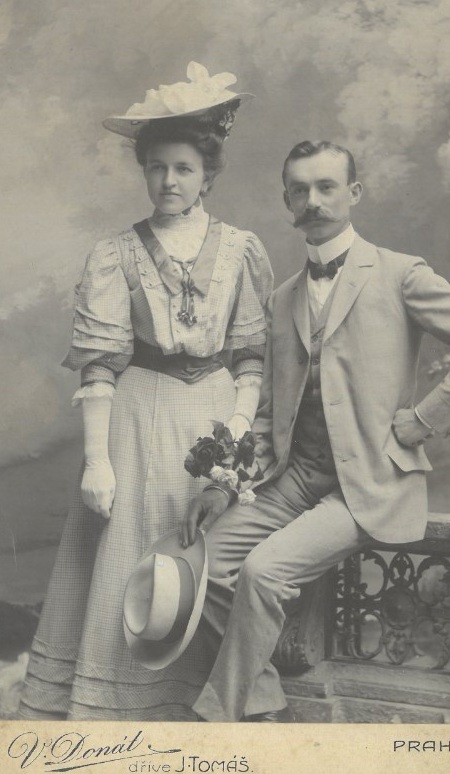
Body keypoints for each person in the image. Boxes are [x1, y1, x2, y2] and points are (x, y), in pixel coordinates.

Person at [183, 139, 450, 723]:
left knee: (264, 572)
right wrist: (225, 485)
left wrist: (424, 420)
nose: (313, 201)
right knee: (203, 565)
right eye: (300, 190)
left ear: (354, 193)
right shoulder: (282, 298)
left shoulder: (400, 274)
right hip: (293, 479)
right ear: (287, 201)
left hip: (368, 483)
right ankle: (261, 698)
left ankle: (218, 720)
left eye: (326, 187)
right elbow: (270, 412)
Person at [18, 63, 273, 721]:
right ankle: (115, 705)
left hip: (212, 416)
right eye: (156, 168)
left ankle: (200, 701)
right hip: (135, 419)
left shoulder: (240, 249)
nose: (169, 181)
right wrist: (97, 461)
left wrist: (236, 434)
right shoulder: (118, 254)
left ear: (208, 174)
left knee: (202, 554)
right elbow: (100, 365)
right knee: (126, 559)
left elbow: (250, 357)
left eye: (183, 168)